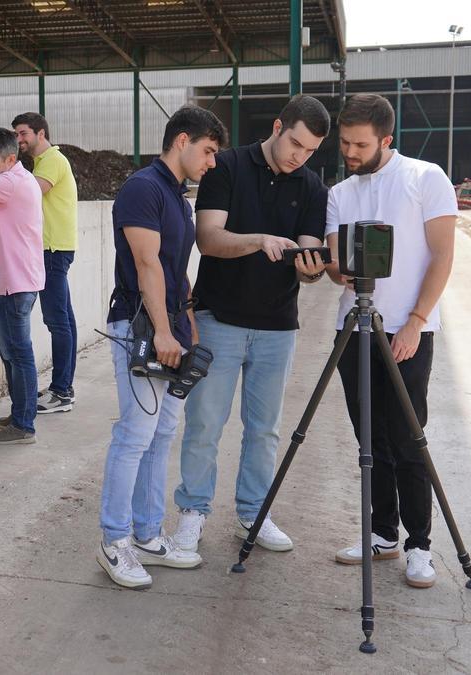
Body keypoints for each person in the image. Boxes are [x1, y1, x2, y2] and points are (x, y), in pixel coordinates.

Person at [170, 95, 331, 558]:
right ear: (278, 127)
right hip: (219, 318)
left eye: (310, 150)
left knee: (264, 429)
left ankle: (254, 514)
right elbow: (209, 239)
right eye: (295, 143)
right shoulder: (226, 166)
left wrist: (312, 267)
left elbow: (306, 259)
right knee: (205, 423)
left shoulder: (312, 187)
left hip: (278, 326)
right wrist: (259, 241)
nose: (299, 156)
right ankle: (193, 513)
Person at [323, 94, 458, 589]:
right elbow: (340, 264)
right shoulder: (340, 192)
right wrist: (325, 267)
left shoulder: (425, 178)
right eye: (344, 142)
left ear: (386, 139)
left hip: (407, 330)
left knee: (408, 438)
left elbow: (443, 255)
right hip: (353, 330)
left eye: (360, 144)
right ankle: (382, 534)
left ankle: (420, 544)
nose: (350, 151)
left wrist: (417, 320)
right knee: (369, 440)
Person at [96, 105, 226, 590]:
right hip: (140, 326)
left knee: (162, 432)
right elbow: (147, 265)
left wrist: (187, 322)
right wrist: (165, 331)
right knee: (135, 433)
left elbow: (175, 269)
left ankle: (149, 534)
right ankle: (115, 540)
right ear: (182, 140)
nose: (211, 163)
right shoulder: (143, 188)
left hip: (170, 328)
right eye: (208, 152)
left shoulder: (177, 197)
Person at [0, 128, 46, 445]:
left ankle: (24, 424)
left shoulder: (12, 181)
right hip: (8, 281)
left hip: (16, 283)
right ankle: (20, 412)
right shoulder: (12, 181)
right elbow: (7, 230)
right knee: (11, 353)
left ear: (11, 159)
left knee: (19, 354)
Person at [12, 112, 79, 414]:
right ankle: (64, 387)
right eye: (16, 134)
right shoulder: (43, 162)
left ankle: (61, 391)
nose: (19, 139)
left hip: (51, 251)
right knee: (65, 320)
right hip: (55, 249)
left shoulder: (51, 159)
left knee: (57, 322)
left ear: (41, 133)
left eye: (23, 133)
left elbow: (28, 194)